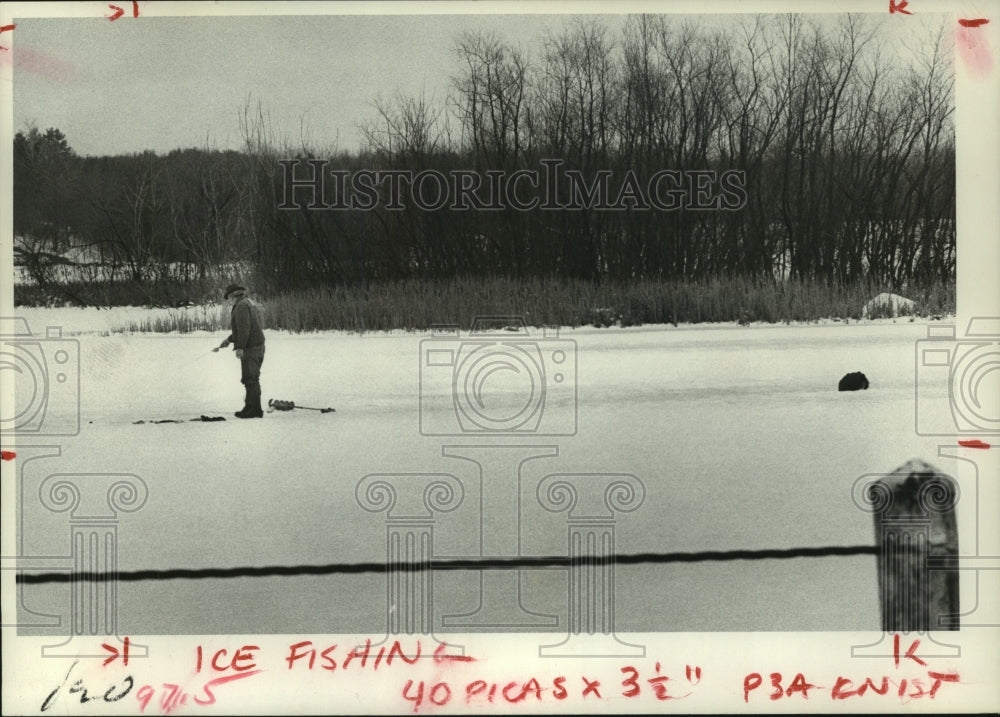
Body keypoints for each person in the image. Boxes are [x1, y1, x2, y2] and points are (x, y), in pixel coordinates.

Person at [216, 283, 266, 418]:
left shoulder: (241, 306)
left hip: (251, 347)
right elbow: (244, 328)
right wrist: (229, 339)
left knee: (250, 378)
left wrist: (240, 347)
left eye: (228, 298)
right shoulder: (246, 303)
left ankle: (255, 410)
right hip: (256, 345)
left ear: (233, 295)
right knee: (250, 378)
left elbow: (245, 329)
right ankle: (250, 407)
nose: (228, 301)